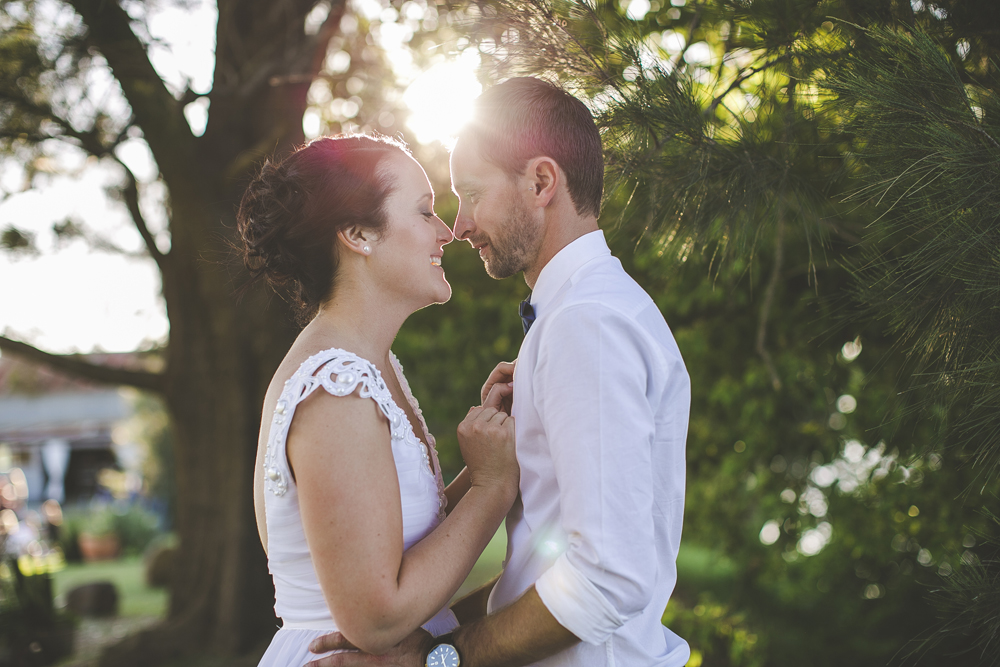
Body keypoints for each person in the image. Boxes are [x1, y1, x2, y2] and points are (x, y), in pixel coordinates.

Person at [307, 78, 692, 667]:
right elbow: (543, 568)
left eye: (471, 193)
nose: (458, 227)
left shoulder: (586, 323)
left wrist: (441, 662)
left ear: (541, 182)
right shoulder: (579, 316)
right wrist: (432, 640)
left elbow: (609, 574)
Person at [238, 134, 521, 667]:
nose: (447, 233)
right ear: (359, 234)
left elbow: (403, 543)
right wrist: (492, 485)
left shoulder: (371, 367)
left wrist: (495, 447)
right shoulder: (335, 387)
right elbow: (376, 618)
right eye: (423, 212)